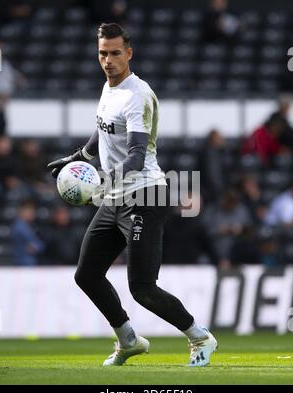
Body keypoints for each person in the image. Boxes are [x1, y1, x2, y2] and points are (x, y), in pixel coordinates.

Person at [47, 23, 217, 367]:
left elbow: (137, 156)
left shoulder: (136, 95)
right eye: (102, 53)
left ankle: (201, 337)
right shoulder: (109, 89)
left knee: (142, 288)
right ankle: (128, 340)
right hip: (114, 198)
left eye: (114, 53)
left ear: (129, 53)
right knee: (87, 274)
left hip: (145, 196)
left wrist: (100, 179)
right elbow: (102, 132)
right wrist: (77, 158)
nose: (107, 60)